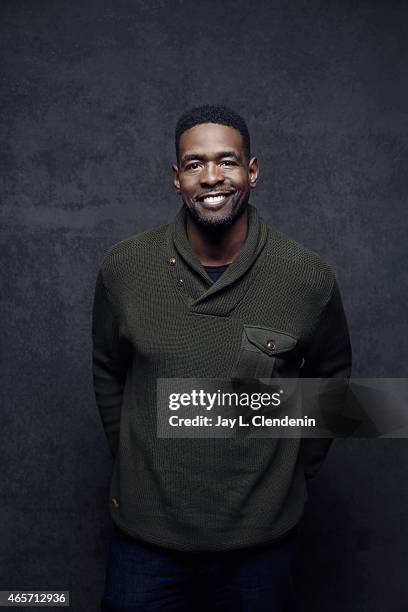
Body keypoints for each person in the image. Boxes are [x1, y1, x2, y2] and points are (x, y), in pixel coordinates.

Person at [92, 104, 352, 611]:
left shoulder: (305, 277)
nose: (212, 177)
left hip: (261, 544)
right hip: (144, 543)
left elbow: (334, 378)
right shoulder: (124, 269)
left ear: (251, 172)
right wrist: (129, 455)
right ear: (176, 178)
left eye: (227, 161)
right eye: (195, 164)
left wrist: (294, 471)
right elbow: (107, 368)